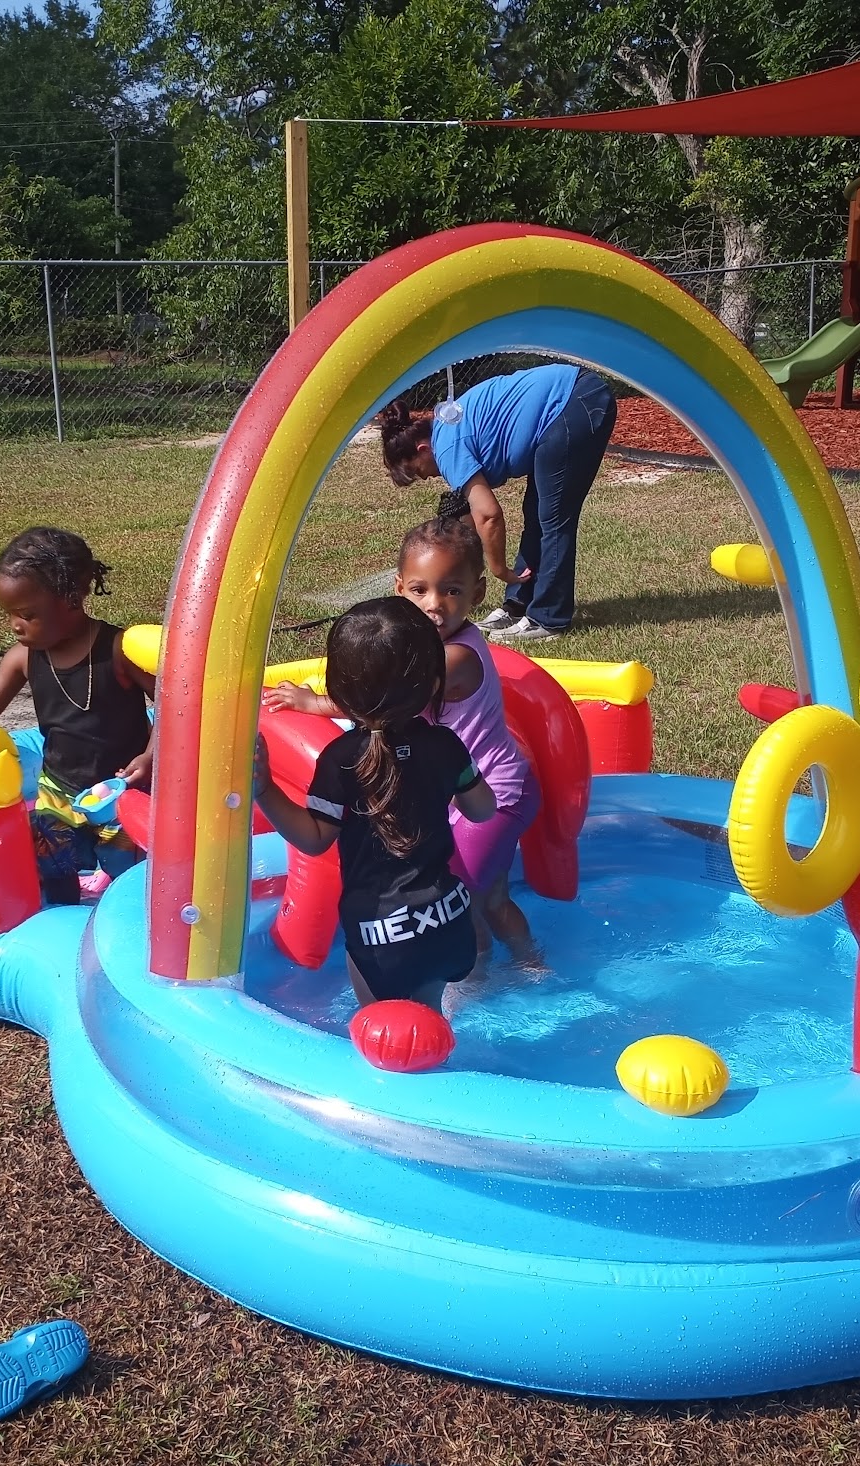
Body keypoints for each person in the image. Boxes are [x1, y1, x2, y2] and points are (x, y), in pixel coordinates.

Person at [264, 507, 541, 966]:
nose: (435, 604)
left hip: (493, 795)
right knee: (491, 898)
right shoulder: (430, 647)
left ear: (477, 593)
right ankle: (530, 964)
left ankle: (474, 987)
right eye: (420, 589)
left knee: (459, 901)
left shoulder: (455, 658)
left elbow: (386, 695)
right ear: (399, 589)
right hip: (469, 788)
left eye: (452, 590)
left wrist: (314, 704)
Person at [253, 597, 497, 1011]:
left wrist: (265, 790)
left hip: (382, 934)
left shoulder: (341, 759)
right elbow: (483, 809)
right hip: (449, 922)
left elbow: (314, 839)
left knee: (381, 1033)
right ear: (432, 684)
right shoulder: (444, 744)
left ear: (338, 690)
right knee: (429, 1021)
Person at [0, 528, 154, 905]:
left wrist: (151, 756)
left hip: (122, 790)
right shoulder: (23, 657)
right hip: (57, 787)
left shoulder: (117, 651)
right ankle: (62, 919)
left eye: (27, 614)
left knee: (130, 870)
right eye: (9, 614)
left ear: (71, 599)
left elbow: (172, 702)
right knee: (52, 864)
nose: (15, 625)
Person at [376, 363, 616, 643]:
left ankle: (548, 618)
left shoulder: (446, 447)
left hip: (574, 401)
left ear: (422, 449)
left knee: (554, 520)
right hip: (570, 399)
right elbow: (474, 514)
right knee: (537, 515)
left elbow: (489, 515)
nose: (427, 477)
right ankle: (517, 606)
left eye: (418, 471)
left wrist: (499, 569)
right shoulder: (445, 428)